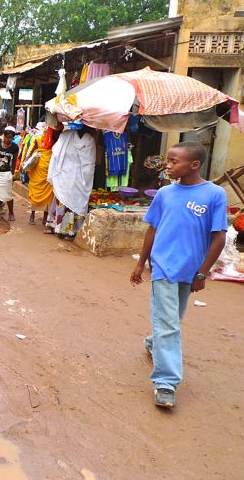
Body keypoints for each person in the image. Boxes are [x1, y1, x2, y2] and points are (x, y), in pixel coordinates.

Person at [130, 142, 227, 409]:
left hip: (191, 268)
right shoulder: (164, 194)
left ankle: (153, 342)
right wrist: (141, 264)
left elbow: (219, 237)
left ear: (194, 165)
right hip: (163, 266)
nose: (168, 166)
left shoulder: (214, 194)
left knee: (174, 318)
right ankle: (166, 382)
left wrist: (202, 273)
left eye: (174, 162)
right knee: (169, 324)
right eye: (168, 161)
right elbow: (152, 230)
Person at [45, 126, 96, 238]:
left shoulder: (66, 135)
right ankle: (68, 229)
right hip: (76, 176)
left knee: (64, 200)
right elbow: (89, 164)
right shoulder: (89, 140)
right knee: (73, 201)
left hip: (66, 174)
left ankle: (60, 227)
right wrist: (86, 181)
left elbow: (56, 154)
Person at [24, 124, 57, 225]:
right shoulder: (39, 139)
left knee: (49, 197)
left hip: (49, 174)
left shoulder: (57, 144)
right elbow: (31, 152)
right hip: (39, 171)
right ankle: (32, 214)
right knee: (36, 193)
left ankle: (45, 217)